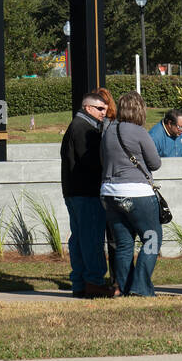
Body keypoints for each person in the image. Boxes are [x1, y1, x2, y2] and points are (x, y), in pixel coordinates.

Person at [100, 91, 163, 298]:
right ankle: (141, 288)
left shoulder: (108, 130)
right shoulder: (139, 131)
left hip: (110, 193)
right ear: (140, 110)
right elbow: (155, 163)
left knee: (124, 244)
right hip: (137, 193)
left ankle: (126, 288)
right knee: (152, 238)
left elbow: (103, 159)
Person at [60, 90, 111, 298]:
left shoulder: (78, 126)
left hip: (75, 191)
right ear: (87, 108)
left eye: (105, 110)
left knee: (80, 239)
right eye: (100, 109)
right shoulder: (83, 128)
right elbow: (90, 161)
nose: (103, 113)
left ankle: (80, 283)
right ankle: (94, 281)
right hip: (86, 192)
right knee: (91, 239)